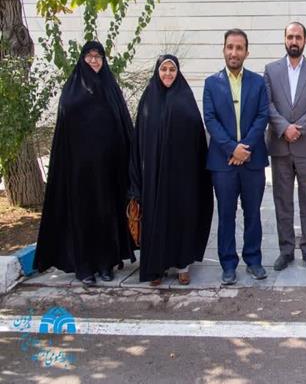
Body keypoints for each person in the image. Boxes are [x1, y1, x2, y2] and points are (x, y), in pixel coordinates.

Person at [35, 41, 136, 285]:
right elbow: (65, 130)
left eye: (98, 56)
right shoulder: (72, 90)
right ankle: (85, 267)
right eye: (89, 56)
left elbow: (123, 124)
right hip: (79, 170)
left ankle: (106, 264)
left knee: (106, 214)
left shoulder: (110, 88)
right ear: (82, 59)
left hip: (108, 169)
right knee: (83, 216)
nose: (94, 60)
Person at [130, 55, 214, 285]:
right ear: (157, 71)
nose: (168, 73)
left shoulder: (185, 99)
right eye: (164, 69)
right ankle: (156, 268)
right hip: (154, 175)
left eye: (172, 69)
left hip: (181, 175)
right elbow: (139, 140)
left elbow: (197, 137)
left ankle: (182, 266)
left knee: (181, 217)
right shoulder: (148, 100)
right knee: (155, 219)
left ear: (178, 73)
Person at [203, 29, 269, 285]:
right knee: (226, 214)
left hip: (253, 160)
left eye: (239, 48)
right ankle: (228, 264)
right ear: (223, 50)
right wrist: (232, 149)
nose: (234, 52)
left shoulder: (258, 82)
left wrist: (244, 149)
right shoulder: (212, 83)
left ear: (246, 52)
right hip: (223, 162)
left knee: (252, 213)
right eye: (230, 47)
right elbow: (210, 120)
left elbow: (262, 116)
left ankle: (253, 260)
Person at [264, 22, 306, 271]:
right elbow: (267, 104)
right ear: (284, 39)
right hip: (280, 146)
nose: (294, 41)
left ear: (305, 40)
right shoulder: (271, 70)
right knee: (282, 201)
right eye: (290, 36)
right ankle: (286, 250)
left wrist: (297, 129)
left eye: (298, 37)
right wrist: (284, 128)